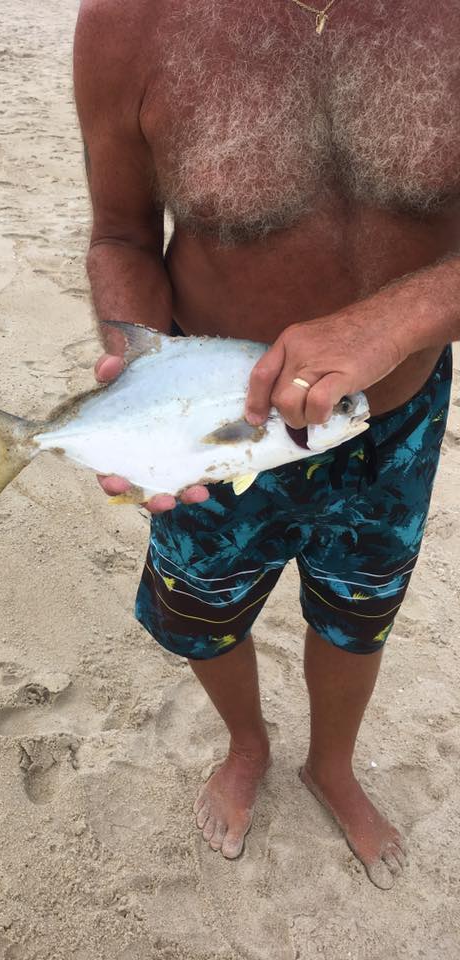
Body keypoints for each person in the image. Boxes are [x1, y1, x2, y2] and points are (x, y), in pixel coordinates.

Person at [73, 0, 460, 889]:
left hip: (389, 423)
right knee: (205, 616)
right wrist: (143, 384)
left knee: (359, 614)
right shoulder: (131, 23)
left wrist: (401, 315)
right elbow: (123, 234)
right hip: (209, 432)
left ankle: (333, 764)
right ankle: (248, 745)